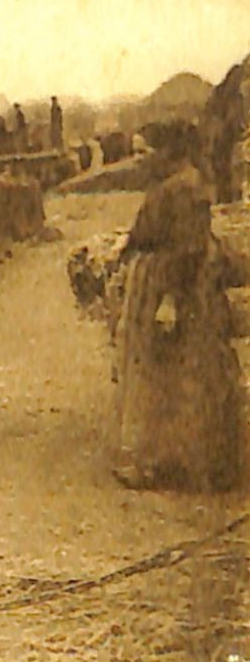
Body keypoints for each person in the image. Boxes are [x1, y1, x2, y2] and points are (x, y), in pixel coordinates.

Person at [111, 122, 245, 492]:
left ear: (168, 150)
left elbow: (187, 249)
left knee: (168, 372)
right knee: (169, 370)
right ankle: (176, 461)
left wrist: (169, 299)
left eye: (145, 152)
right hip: (167, 282)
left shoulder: (185, 188)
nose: (141, 161)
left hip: (177, 288)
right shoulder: (177, 183)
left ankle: (165, 463)